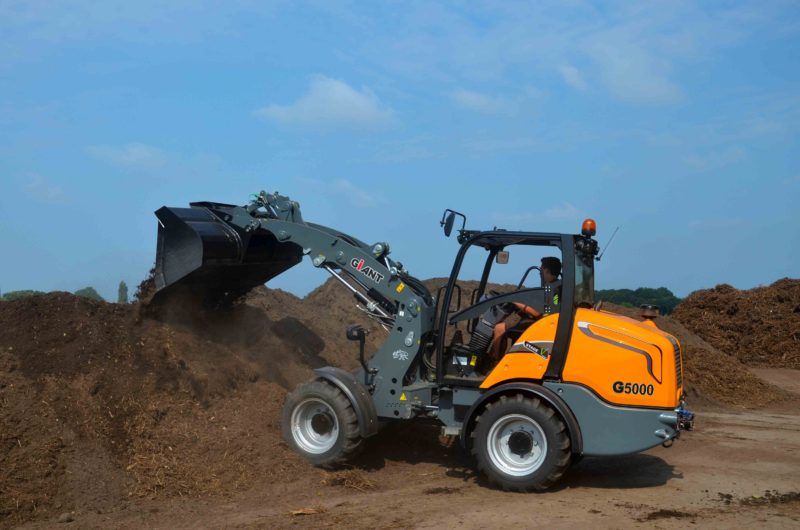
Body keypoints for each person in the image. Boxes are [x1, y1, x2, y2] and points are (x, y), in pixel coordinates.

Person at [488, 257, 562, 360]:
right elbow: (546, 309)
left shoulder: (551, 289)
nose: (540, 273)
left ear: (546, 270)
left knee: (499, 328)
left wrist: (513, 300)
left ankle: (495, 362)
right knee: (513, 324)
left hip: (544, 325)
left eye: (541, 269)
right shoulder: (557, 286)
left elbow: (537, 313)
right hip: (549, 323)